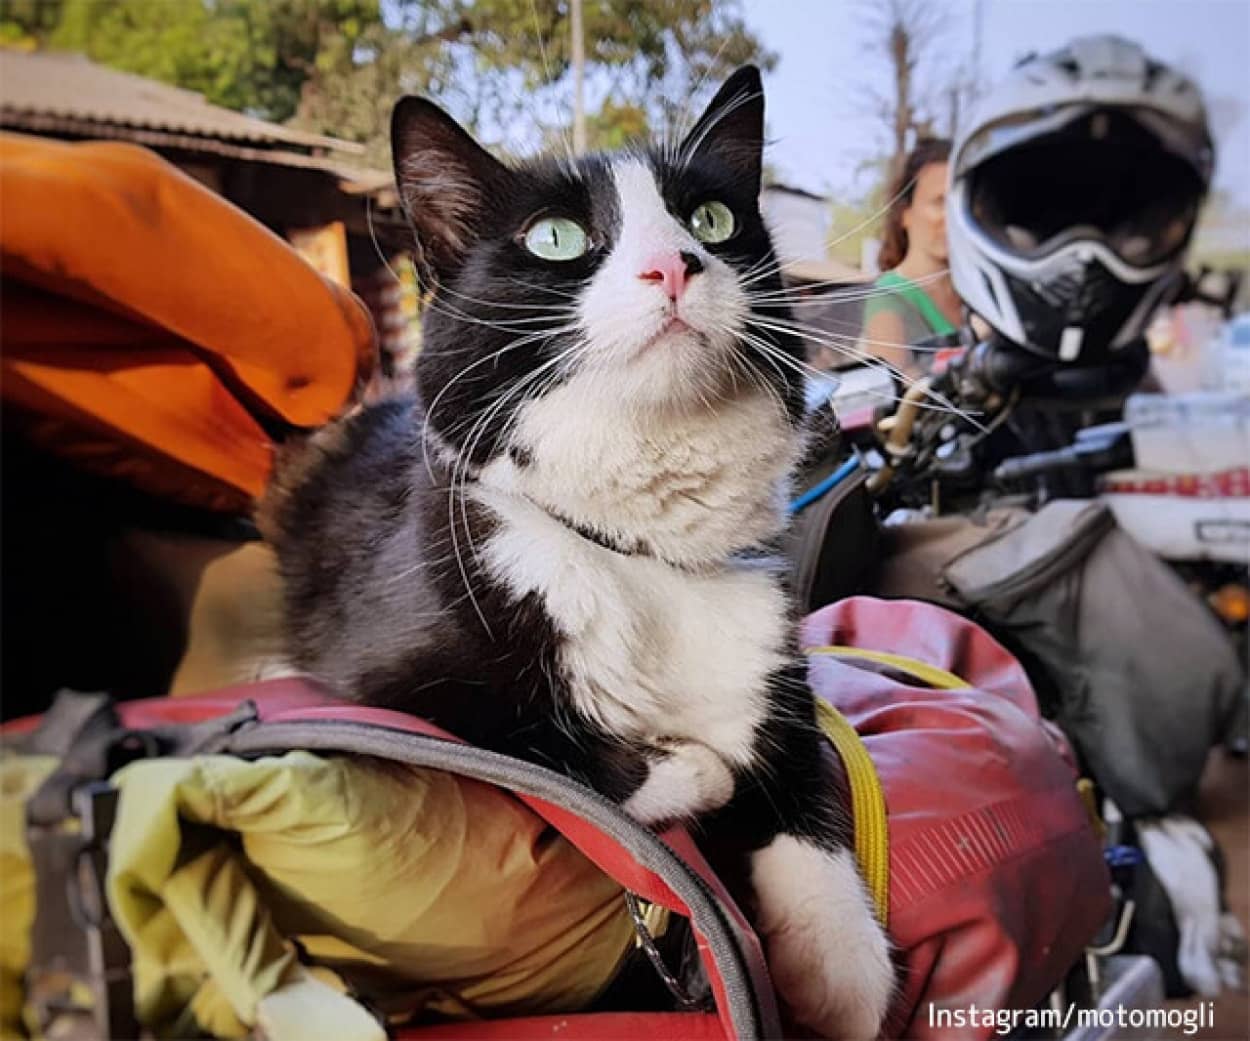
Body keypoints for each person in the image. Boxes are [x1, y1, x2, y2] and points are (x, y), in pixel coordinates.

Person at [859, 138, 962, 379]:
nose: (954, 217)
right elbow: (898, 398)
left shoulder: (976, 295)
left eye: (961, 203)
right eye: (940, 202)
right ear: (905, 214)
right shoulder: (888, 297)